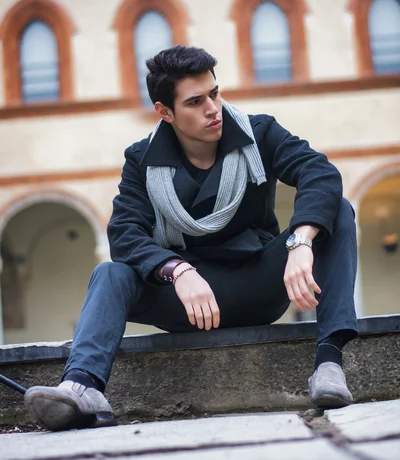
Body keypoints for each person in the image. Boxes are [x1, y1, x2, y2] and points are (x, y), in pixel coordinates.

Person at [24, 46, 358, 431]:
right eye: (196, 102)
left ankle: (329, 364)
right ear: (165, 112)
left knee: (338, 208)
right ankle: (82, 387)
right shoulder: (141, 160)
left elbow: (319, 171)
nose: (213, 108)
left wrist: (300, 242)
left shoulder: (260, 133)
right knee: (110, 273)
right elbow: (124, 233)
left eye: (214, 94)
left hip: (258, 283)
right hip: (188, 302)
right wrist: (177, 270)